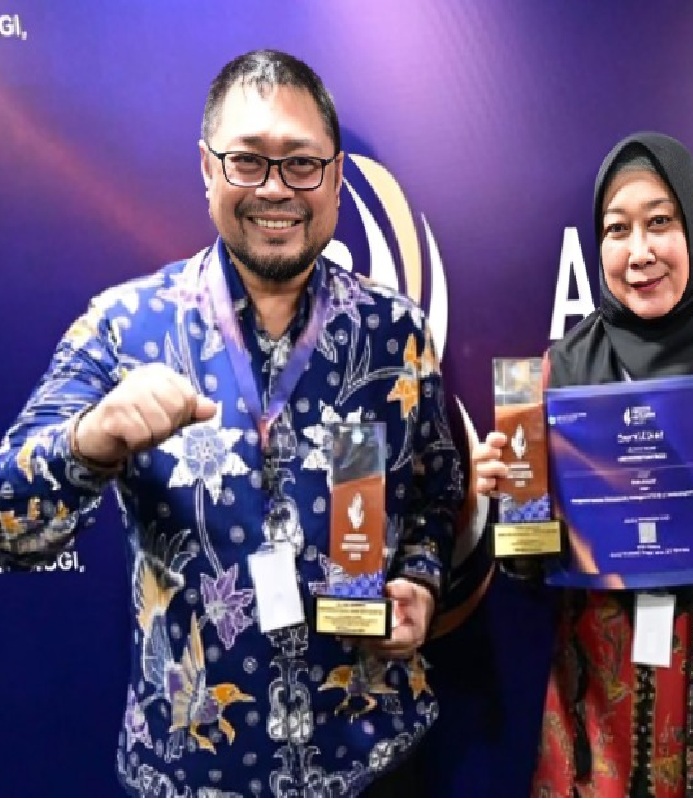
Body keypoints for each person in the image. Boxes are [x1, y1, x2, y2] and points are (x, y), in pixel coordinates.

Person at [0, 49, 463, 797]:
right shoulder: (125, 328)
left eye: (301, 163)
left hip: (372, 759)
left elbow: (437, 491)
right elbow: (7, 525)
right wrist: (89, 442)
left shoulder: (396, 332)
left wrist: (419, 577)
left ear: (335, 177)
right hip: (192, 771)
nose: (275, 188)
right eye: (248, 161)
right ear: (208, 169)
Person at [473, 132, 693, 797]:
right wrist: (514, 509)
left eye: (660, 222)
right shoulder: (560, 373)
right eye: (617, 229)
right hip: (595, 744)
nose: (639, 251)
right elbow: (528, 577)